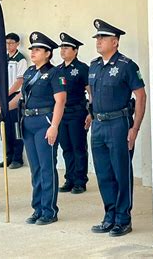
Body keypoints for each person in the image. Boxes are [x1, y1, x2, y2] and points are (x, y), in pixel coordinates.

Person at [88, 19, 146, 237]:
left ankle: (123, 218)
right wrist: (90, 115)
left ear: (115, 41)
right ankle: (109, 215)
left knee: (121, 172)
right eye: (97, 38)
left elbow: (140, 97)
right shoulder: (94, 65)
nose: (99, 41)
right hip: (99, 124)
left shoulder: (126, 65)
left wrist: (135, 129)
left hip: (118, 124)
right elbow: (92, 95)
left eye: (103, 38)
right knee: (104, 173)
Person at [9, 31, 66, 225]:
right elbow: (21, 97)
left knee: (46, 167)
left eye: (38, 49)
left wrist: (55, 126)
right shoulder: (29, 72)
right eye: (32, 49)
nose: (33, 52)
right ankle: (38, 208)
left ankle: (49, 210)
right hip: (28, 123)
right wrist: (4, 104)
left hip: (45, 122)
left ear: (48, 53)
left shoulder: (55, 73)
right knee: (35, 169)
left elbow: (60, 101)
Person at [57, 32, 90, 194]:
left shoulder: (82, 69)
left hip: (77, 113)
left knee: (78, 147)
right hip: (62, 114)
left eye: (66, 47)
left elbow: (91, 93)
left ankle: (80, 180)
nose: (62, 50)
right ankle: (69, 178)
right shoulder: (58, 69)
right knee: (66, 147)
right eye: (61, 47)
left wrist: (91, 113)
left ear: (75, 50)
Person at [0, 32, 27, 169]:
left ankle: (17, 158)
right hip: (3, 97)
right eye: (7, 43)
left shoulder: (21, 59)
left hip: (14, 96)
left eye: (11, 43)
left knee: (15, 128)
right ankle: (7, 156)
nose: (9, 46)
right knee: (5, 128)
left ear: (17, 44)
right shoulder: (3, 58)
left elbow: (20, 80)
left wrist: (7, 93)